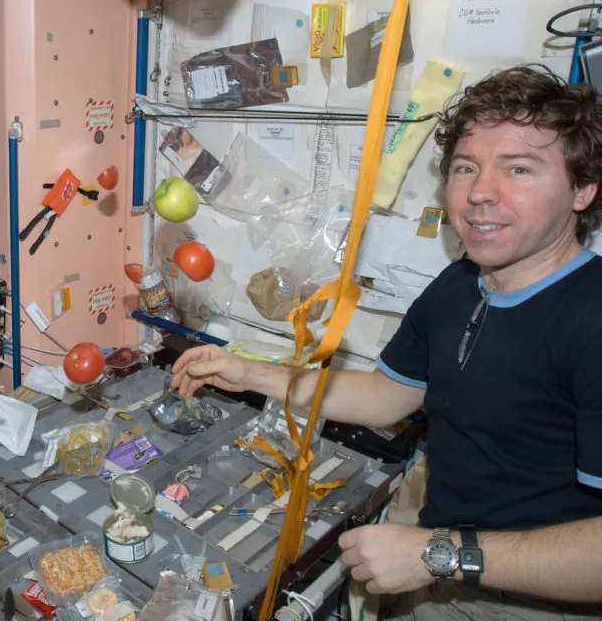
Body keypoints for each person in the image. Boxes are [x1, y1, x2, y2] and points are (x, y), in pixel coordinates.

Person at [171, 66, 602, 618]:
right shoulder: (459, 284)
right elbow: (384, 395)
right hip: (447, 554)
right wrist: (252, 374)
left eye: (519, 169)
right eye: (466, 168)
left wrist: (441, 555)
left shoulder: (592, 319)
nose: (480, 194)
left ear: (582, 189)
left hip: (539, 595)